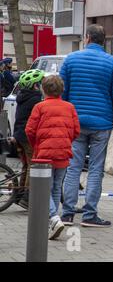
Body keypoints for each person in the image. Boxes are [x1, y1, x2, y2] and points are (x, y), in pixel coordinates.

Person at [60, 24, 113, 228]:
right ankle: (90, 214)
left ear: (87, 37)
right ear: (103, 40)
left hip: (76, 122)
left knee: (73, 167)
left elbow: (62, 91)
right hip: (101, 123)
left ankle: (68, 213)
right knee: (96, 169)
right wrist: (112, 116)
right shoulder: (112, 63)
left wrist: (66, 114)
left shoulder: (71, 59)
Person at [25, 75, 80, 240]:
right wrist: (65, 141)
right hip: (63, 153)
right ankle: (54, 221)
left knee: (43, 189)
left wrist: (37, 145)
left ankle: (54, 218)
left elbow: (29, 130)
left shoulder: (39, 107)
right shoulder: (69, 107)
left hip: (44, 155)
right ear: (62, 90)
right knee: (56, 187)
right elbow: (76, 130)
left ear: (43, 89)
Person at [9, 69, 45, 209]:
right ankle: (27, 197)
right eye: (40, 83)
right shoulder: (36, 99)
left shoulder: (22, 96)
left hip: (18, 135)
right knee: (32, 165)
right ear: (35, 85)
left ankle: (19, 194)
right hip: (26, 136)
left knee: (26, 165)